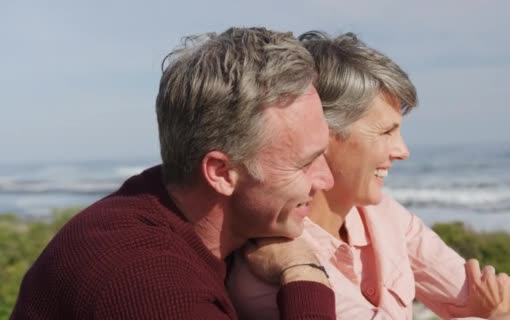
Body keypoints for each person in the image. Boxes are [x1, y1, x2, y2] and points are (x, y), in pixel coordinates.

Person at [228, 31, 510, 320]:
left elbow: (478, 291)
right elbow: (503, 308)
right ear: (324, 133)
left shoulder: (381, 214)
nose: (403, 150)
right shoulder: (279, 252)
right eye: (387, 132)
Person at [10, 27, 337, 319]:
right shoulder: (152, 286)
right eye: (304, 163)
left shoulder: (153, 201)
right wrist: (303, 273)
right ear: (221, 173)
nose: (326, 180)